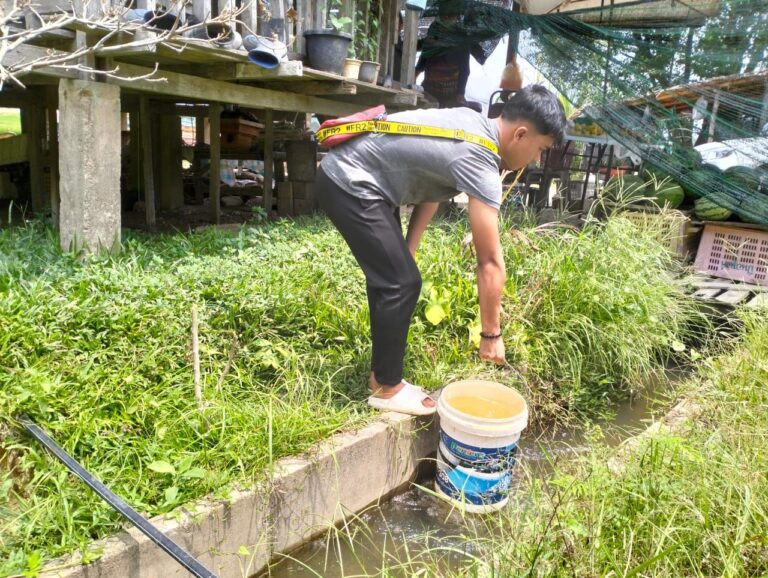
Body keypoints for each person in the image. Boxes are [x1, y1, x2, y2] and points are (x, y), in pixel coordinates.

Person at [316, 85, 566, 416]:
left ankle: (384, 376)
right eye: (540, 149)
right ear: (521, 133)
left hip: (364, 177)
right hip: (351, 181)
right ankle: (386, 388)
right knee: (401, 283)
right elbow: (489, 261)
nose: (535, 160)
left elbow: (431, 184)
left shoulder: (471, 123)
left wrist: (409, 249)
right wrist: (491, 335)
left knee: (397, 278)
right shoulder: (480, 157)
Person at [416, 1, 482, 111]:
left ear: (456, 17)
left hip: (450, 96)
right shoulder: (434, 32)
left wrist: (460, 95)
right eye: (445, 15)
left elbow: (465, 70)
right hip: (429, 92)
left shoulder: (461, 38)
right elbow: (421, 64)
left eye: (451, 15)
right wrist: (411, 84)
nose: (448, 17)